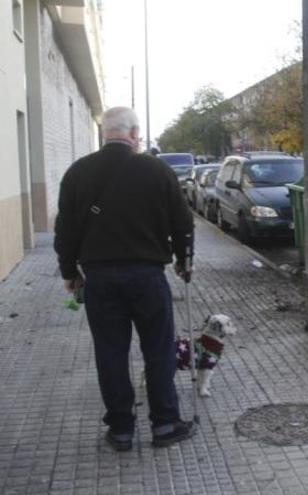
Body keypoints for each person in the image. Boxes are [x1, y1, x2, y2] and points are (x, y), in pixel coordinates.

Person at [54, 107, 196, 451]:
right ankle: (164, 424)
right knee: (158, 350)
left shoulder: (78, 172)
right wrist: (183, 262)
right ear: (134, 133)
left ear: (106, 133)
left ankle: (120, 430)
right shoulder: (157, 170)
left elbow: (65, 230)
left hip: (100, 279)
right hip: (147, 276)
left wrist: (70, 272)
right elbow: (183, 221)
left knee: (111, 352)